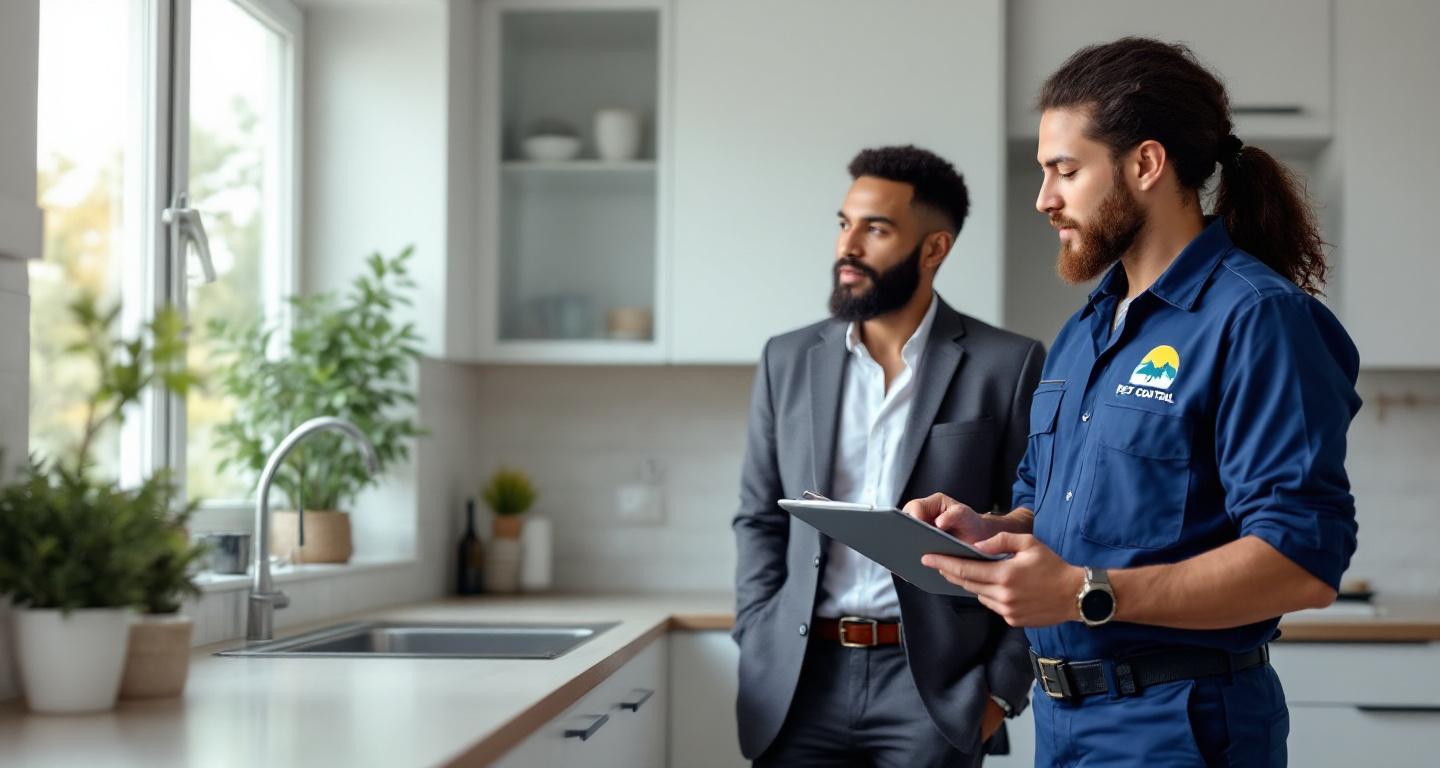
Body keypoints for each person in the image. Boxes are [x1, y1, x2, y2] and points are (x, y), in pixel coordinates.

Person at [910, 38, 1360, 767]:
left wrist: (1086, 591)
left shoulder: (1257, 319)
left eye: (1066, 170)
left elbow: (1301, 564)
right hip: (1061, 725)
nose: (1044, 199)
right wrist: (988, 528)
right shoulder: (1085, 330)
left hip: (1179, 730)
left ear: (1146, 165)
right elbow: (1048, 505)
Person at [733, 145, 1045, 767]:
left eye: (876, 229)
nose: (848, 246)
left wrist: (1000, 691)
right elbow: (760, 517)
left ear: (934, 249)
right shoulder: (786, 360)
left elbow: (1039, 531)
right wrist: (756, 632)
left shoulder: (1007, 366)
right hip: (797, 679)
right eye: (845, 223)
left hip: (935, 688)